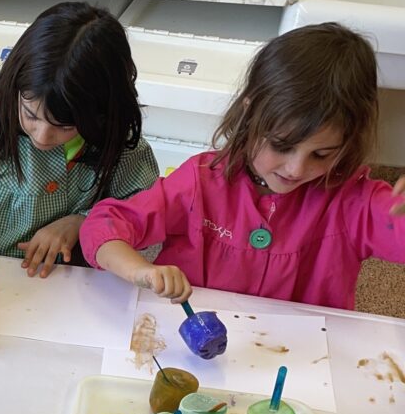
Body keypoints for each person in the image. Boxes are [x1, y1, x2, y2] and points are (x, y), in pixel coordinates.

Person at [81, 23, 405, 309]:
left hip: (304, 353)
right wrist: (141, 270)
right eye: (281, 145)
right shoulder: (199, 181)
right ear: (250, 115)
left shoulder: (355, 203)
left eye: (321, 154)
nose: (296, 169)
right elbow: (103, 226)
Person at [0, 1, 158, 282]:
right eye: (31, 114)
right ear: (16, 85)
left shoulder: (121, 145)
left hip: (74, 285)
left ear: (101, 113)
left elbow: (146, 215)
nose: (42, 135)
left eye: (65, 126)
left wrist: (82, 222)